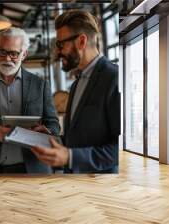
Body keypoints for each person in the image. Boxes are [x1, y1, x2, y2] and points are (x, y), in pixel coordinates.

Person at [31, 10, 120, 173]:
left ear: (81, 41)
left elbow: (120, 150)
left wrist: (70, 157)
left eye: (60, 44)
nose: (57, 53)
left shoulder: (114, 78)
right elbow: (79, 139)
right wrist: (52, 137)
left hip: (102, 189)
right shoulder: (77, 83)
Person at [0, 27, 60, 174]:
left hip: (34, 167)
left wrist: (47, 131)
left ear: (24, 54)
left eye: (13, 53)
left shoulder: (40, 85)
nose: (6, 58)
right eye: (2, 52)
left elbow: (53, 123)